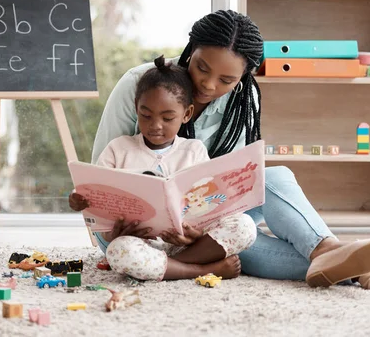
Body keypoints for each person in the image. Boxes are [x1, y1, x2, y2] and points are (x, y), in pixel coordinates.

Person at [86, 9, 370, 289]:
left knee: (269, 183)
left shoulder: (244, 99)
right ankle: (359, 268)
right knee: (241, 247)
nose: (208, 84)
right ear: (190, 50)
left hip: (204, 229)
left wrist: (204, 228)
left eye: (226, 80)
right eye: (202, 68)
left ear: (243, 78)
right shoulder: (142, 84)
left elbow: (234, 189)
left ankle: (328, 250)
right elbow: (100, 182)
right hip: (132, 233)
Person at [69, 55, 257, 281]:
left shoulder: (194, 151)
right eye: (146, 115)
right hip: (139, 244)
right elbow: (98, 203)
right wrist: (79, 199)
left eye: (168, 118)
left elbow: (208, 210)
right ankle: (199, 270)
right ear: (136, 109)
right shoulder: (118, 149)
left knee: (245, 226)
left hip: (186, 245)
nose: (155, 126)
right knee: (118, 252)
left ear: (186, 114)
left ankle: (168, 267)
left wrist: (196, 234)